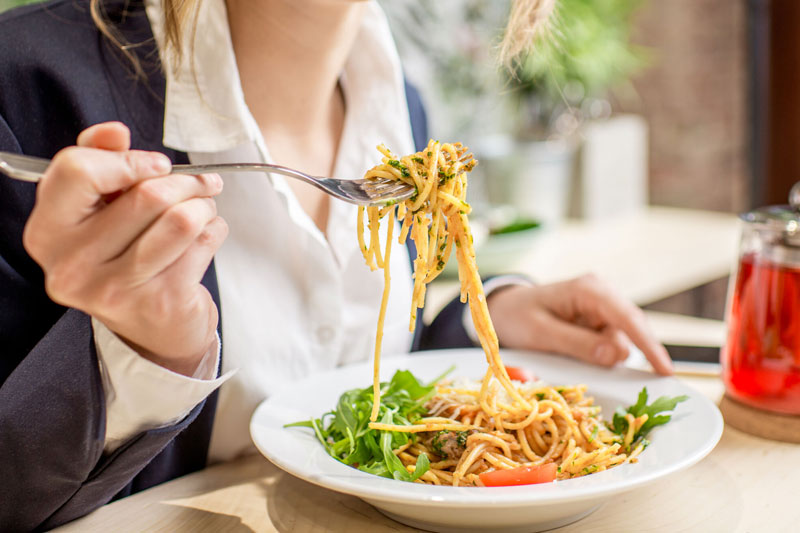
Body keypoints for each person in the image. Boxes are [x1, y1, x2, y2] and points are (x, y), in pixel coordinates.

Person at [0, 0, 673, 529]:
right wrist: (137, 351)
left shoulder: (400, 103)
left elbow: (341, 382)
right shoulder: (24, 85)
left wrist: (485, 320)